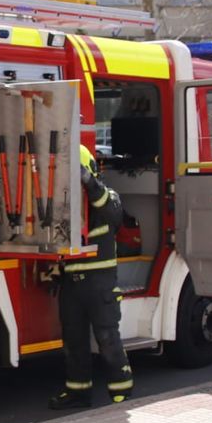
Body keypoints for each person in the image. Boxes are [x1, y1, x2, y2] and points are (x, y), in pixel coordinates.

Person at [49, 145, 133, 409]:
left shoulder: (109, 198)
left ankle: (121, 389)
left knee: (107, 338)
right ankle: (78, 392)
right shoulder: (67, 206)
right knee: (73, 343)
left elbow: (109, 209)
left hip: (100, 284)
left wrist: (87, 181)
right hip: (72, 285)